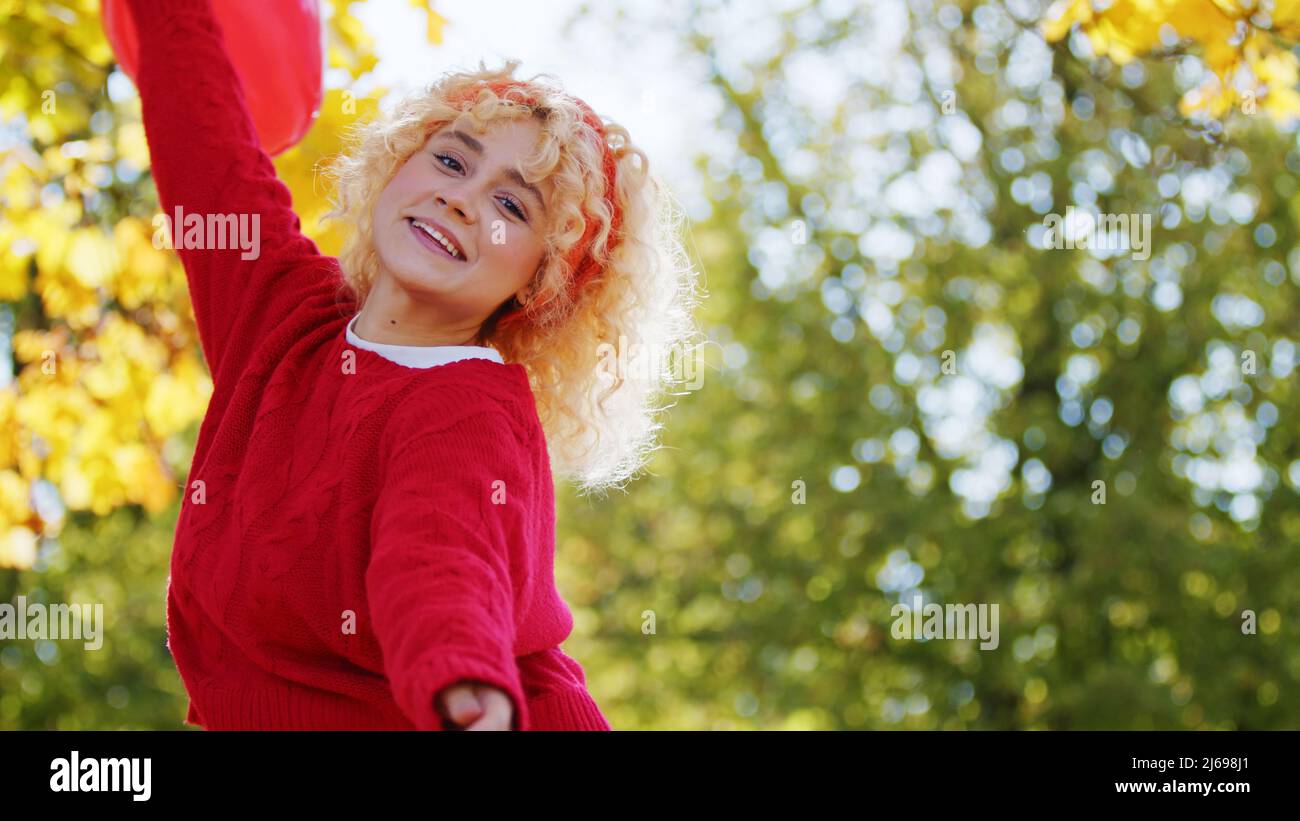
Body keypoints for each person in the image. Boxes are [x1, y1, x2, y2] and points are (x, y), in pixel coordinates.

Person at [125, 0, 700, 730]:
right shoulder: (282, 312)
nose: (461, 198)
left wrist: (463, 687)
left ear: (542, 279)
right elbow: (207, 150)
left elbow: (440, 561)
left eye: (511, 207)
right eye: (453, 159)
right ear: (398, 165)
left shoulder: (466, 408)